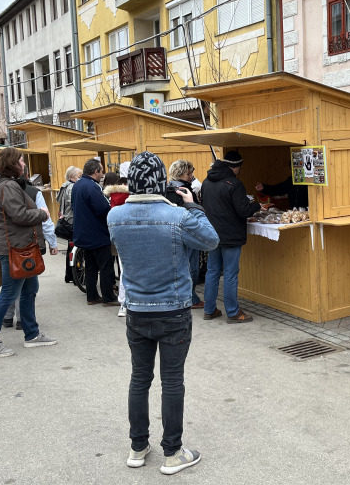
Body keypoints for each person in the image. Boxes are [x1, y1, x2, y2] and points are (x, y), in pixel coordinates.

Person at [107, 151, 219, 474]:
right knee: (172, 381)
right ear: (160, 180)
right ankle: (173, 452)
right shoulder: (178, 217)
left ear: (132, 182)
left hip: (137, 311)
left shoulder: (115, 217)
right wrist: (192, 203)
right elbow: (211, 240)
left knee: (139, 378)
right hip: (174, 311)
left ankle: (138, 446)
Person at [0, 148, 57, 358]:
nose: (24, 165)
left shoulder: (5, 186)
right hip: (15, 247)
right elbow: (19, 215)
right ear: (14, 164)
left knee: (30, 288)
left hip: (20, 246)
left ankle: (31, 334)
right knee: (8, 294)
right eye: (22, 161)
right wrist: (42, 213)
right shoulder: (7, 186)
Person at [0, 177, 58, 330]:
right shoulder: (25, 191)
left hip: (14, 246)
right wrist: (51, 238)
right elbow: (28, 216)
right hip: (20, 247)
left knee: (25, 289)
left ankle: (27, 329)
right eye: (20, 162)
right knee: (11, 292)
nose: (23, 164)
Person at [200, 151, 260, 323]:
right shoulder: (234, 184)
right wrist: (256, 206)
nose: (239, 171)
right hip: (231, 235)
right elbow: (243, 211)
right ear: (235, 167)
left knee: (212, 272)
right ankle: (233, 313)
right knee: (230, 274)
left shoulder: (206, 182)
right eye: (239, 168)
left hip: (212, 234)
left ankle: (209, 310)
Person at [72, 158, 118, 306]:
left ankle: (92, 296)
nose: (102, 174)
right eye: (101, 171)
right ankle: (108, 298)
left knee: (90, 266)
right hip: (97, 233)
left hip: (83, 233)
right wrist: (108, 203)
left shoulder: (77, 185)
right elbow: (102, 208)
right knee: (106, 267)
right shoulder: (92, 187)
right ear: (95, 171)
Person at [168, 160, 204, 309]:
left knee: (183, 266)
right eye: (189, 173)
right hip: (187, 232)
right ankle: (191, 298)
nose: (191, 175)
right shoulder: (182, 190)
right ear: (181, 173)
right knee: (192, 267)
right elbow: (190, 212)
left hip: (176, 233)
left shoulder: (169, 187)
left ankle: (187, 296)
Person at [104, 171, 130, 317]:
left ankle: (123, 303)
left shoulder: (112, 199)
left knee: (123, 270)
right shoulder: (130, 197)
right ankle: (128, 302)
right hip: (133, 237)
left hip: (119, 238)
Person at [57, 166, 82, 284]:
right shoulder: (72, 187)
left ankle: (69, 275)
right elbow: (74, 204)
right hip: (73, 220)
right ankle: (75, 275)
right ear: (72, 177)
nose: (81, 179)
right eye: (79, 176)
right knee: (75, 248)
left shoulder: (64, 185)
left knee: (70, 249)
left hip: (66, 220)